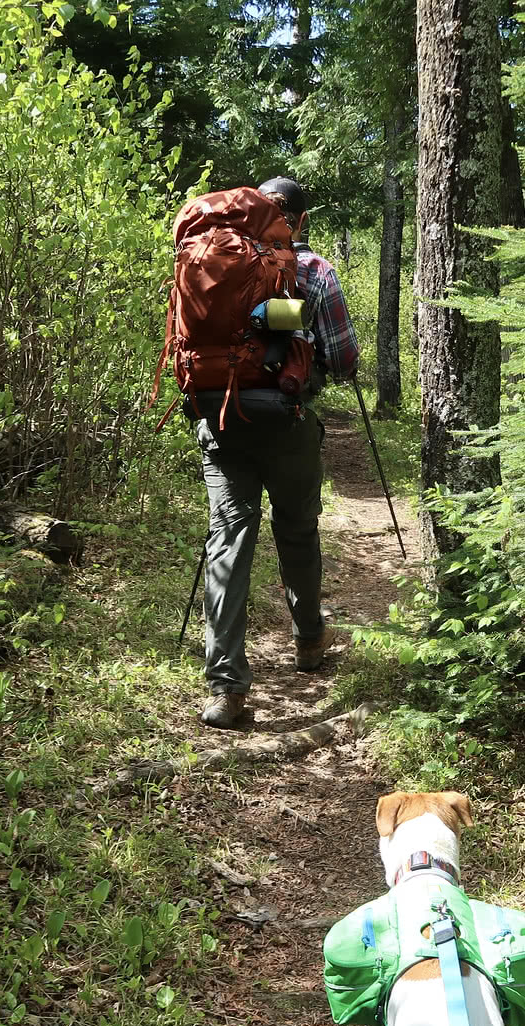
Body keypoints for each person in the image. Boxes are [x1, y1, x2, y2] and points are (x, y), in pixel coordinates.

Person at [193, 175, 359, 729]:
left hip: (220, 420)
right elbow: (343, 357)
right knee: (296, 527)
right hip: (286, 421)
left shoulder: (208, 254)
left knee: (229, 538)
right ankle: (309, 640)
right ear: (301, 219)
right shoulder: (312, 270)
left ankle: (225, 688)